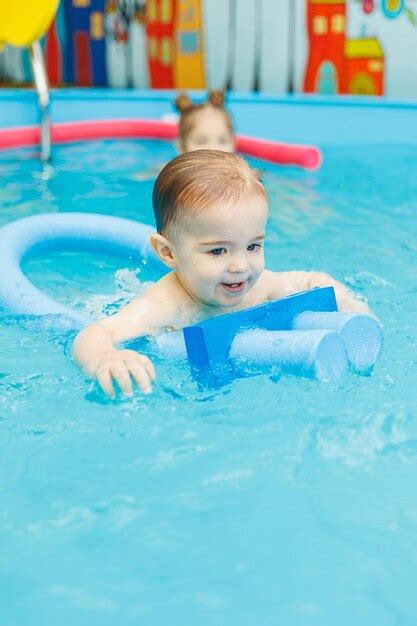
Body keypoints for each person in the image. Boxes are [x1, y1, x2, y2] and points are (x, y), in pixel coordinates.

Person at [73, 150, 370, 398]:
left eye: (253, 246)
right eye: (218, 251)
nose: (241, 266)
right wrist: (104, 358)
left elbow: (309, 281)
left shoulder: (259, 285)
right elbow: (96, 333)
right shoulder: (168, 305)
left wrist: (351, 305)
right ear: (168, 253)